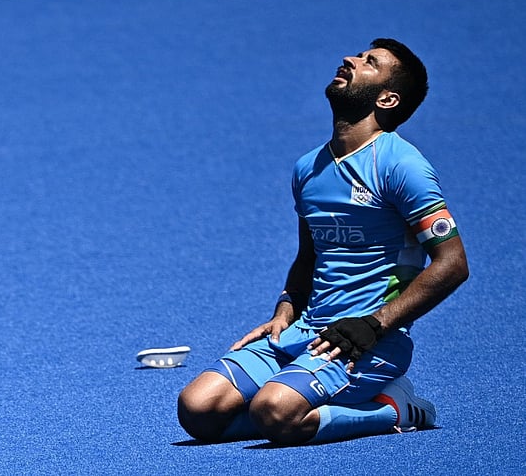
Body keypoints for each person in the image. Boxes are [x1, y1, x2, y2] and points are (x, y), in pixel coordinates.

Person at [177, 38, 469, 445]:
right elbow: (309, 253)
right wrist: (286, 305)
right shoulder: (308, 168)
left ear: (387, 99)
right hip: (306, 330)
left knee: (275, 412)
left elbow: (452, 263)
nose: (350, 59)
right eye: (357, 55)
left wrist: (375, 324)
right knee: (198, 409)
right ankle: (291, 394)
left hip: (370, 340)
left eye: (370, 62)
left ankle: (397, 407)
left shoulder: (403, 166)